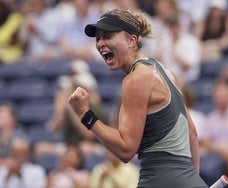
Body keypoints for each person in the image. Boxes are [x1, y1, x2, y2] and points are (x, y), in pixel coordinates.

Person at [68, 8, 208, 187]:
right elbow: (192, 134)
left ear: (132, 40)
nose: (100, 43)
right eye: (98, 38)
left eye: (108, 36)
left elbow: (126, 150)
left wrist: (85, 114)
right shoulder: (166, 72)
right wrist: (190, 180)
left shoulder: (136, 79)